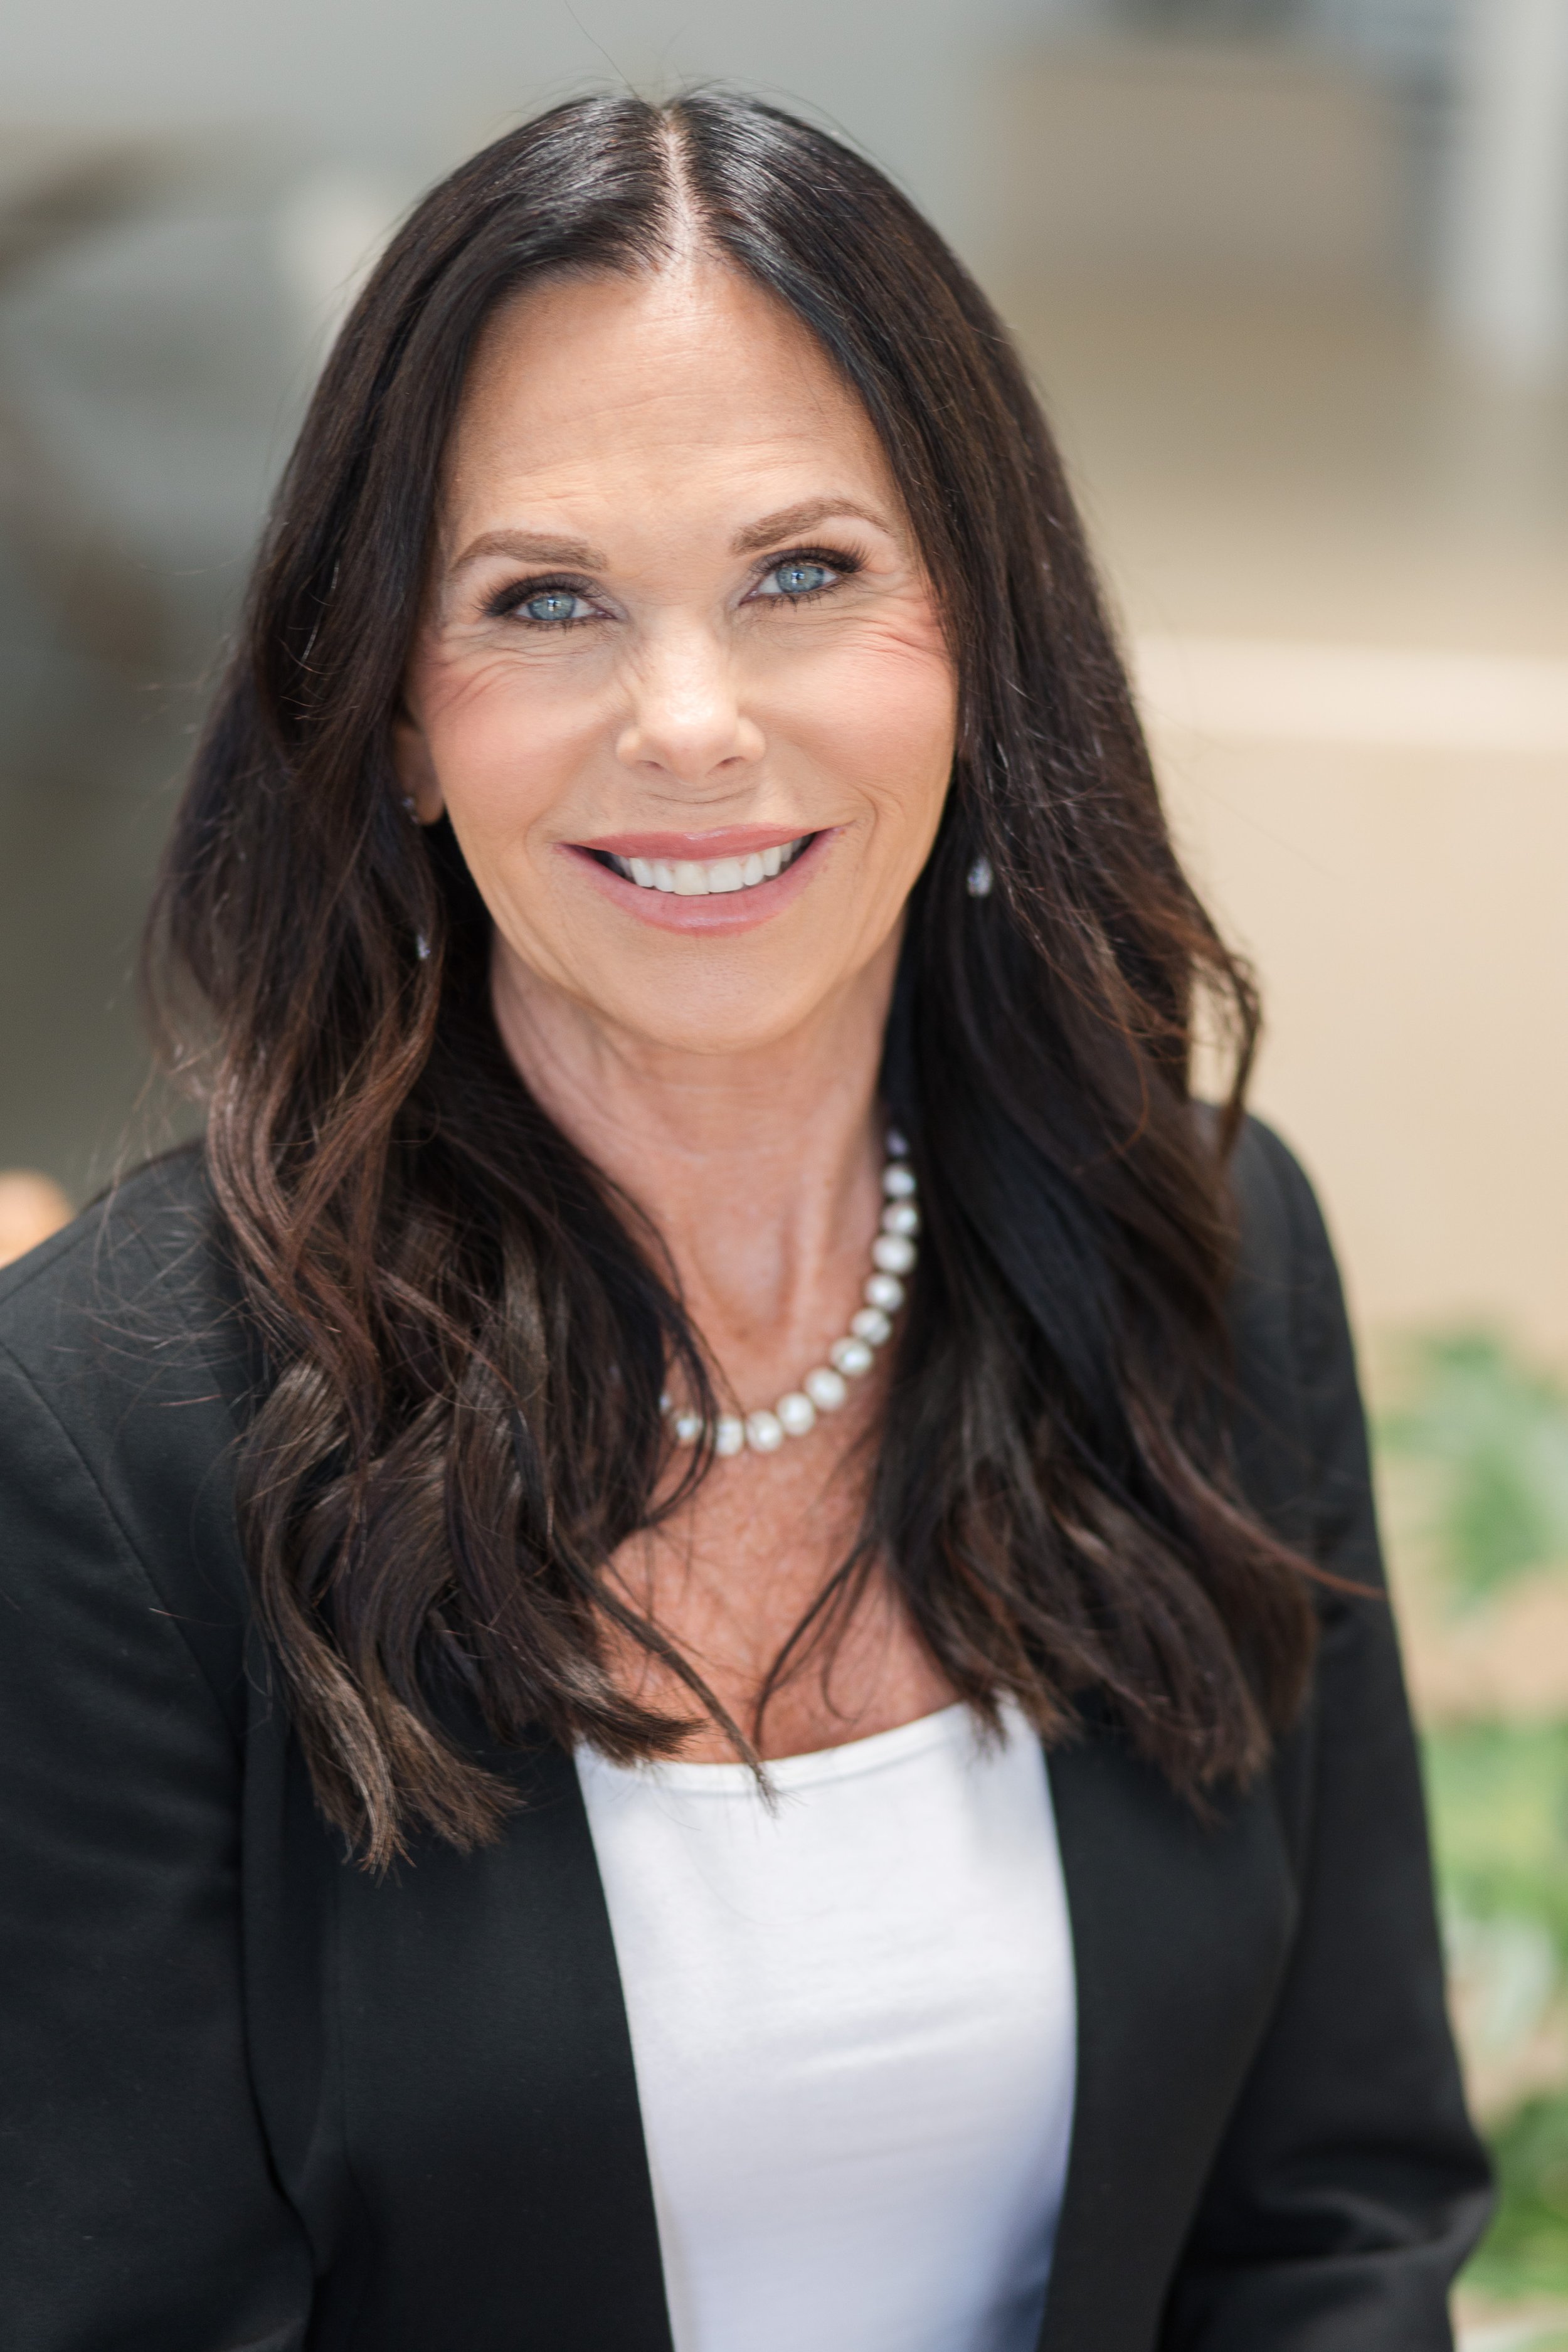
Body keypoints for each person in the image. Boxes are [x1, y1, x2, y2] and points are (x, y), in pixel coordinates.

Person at [0, 92, 1488, 2352]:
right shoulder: (117, 1434)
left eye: (802, 573)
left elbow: (1335, 2215)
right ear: (395, 715)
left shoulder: (1195, 1249)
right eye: (544, 602)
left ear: (974, 636)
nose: (687, 722)